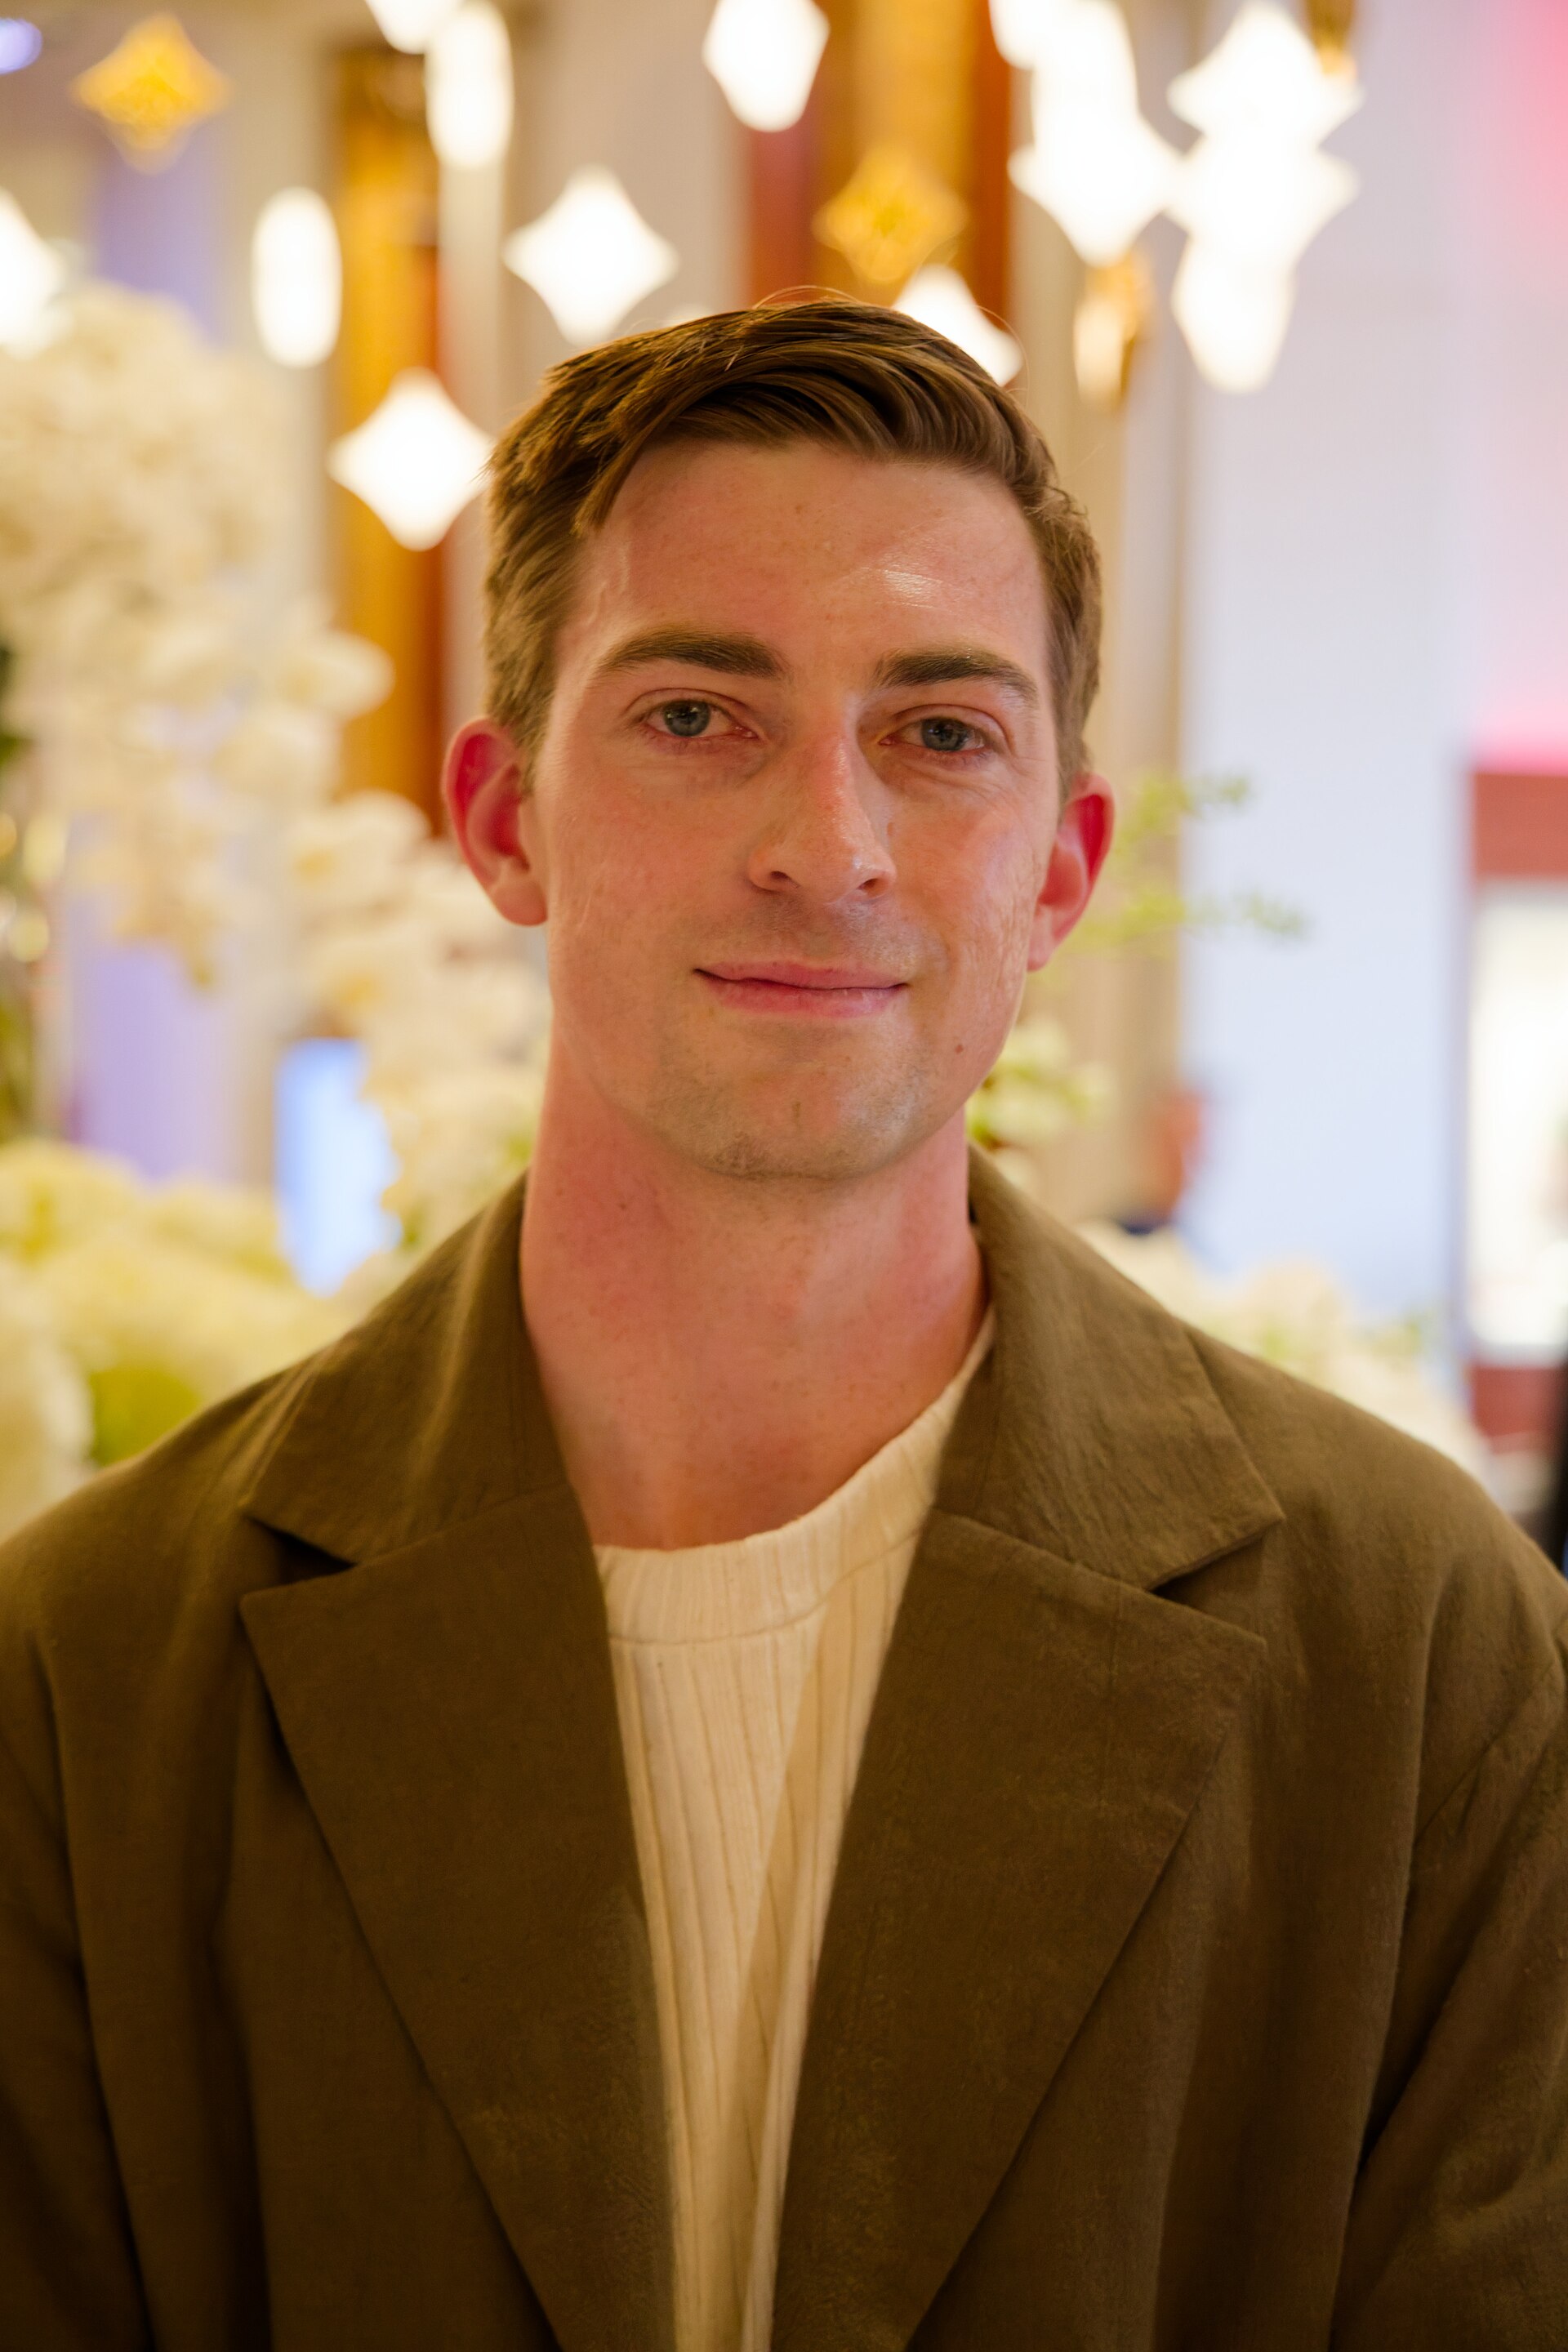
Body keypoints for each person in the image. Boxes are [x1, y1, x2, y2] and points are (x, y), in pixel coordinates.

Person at [1, 298, 1565, 2352]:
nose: (826, 848)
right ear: (501, 822)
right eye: (692, 715)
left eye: (941, 735)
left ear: (1060, 866)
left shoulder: (1420, 1639)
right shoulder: (91, 1663)